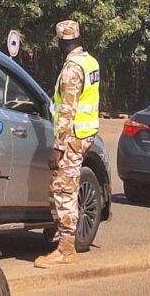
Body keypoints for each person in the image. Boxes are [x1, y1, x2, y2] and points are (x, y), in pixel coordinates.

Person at [34, 20, 100, 268]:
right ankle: (62, 238)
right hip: (85, 135)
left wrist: (58, 147)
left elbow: (67, 111)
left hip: (71, 138)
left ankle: (66, 249)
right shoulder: (90, 62)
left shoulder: (72, 69)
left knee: (64, 190)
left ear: (61, 42)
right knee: (63, 186)